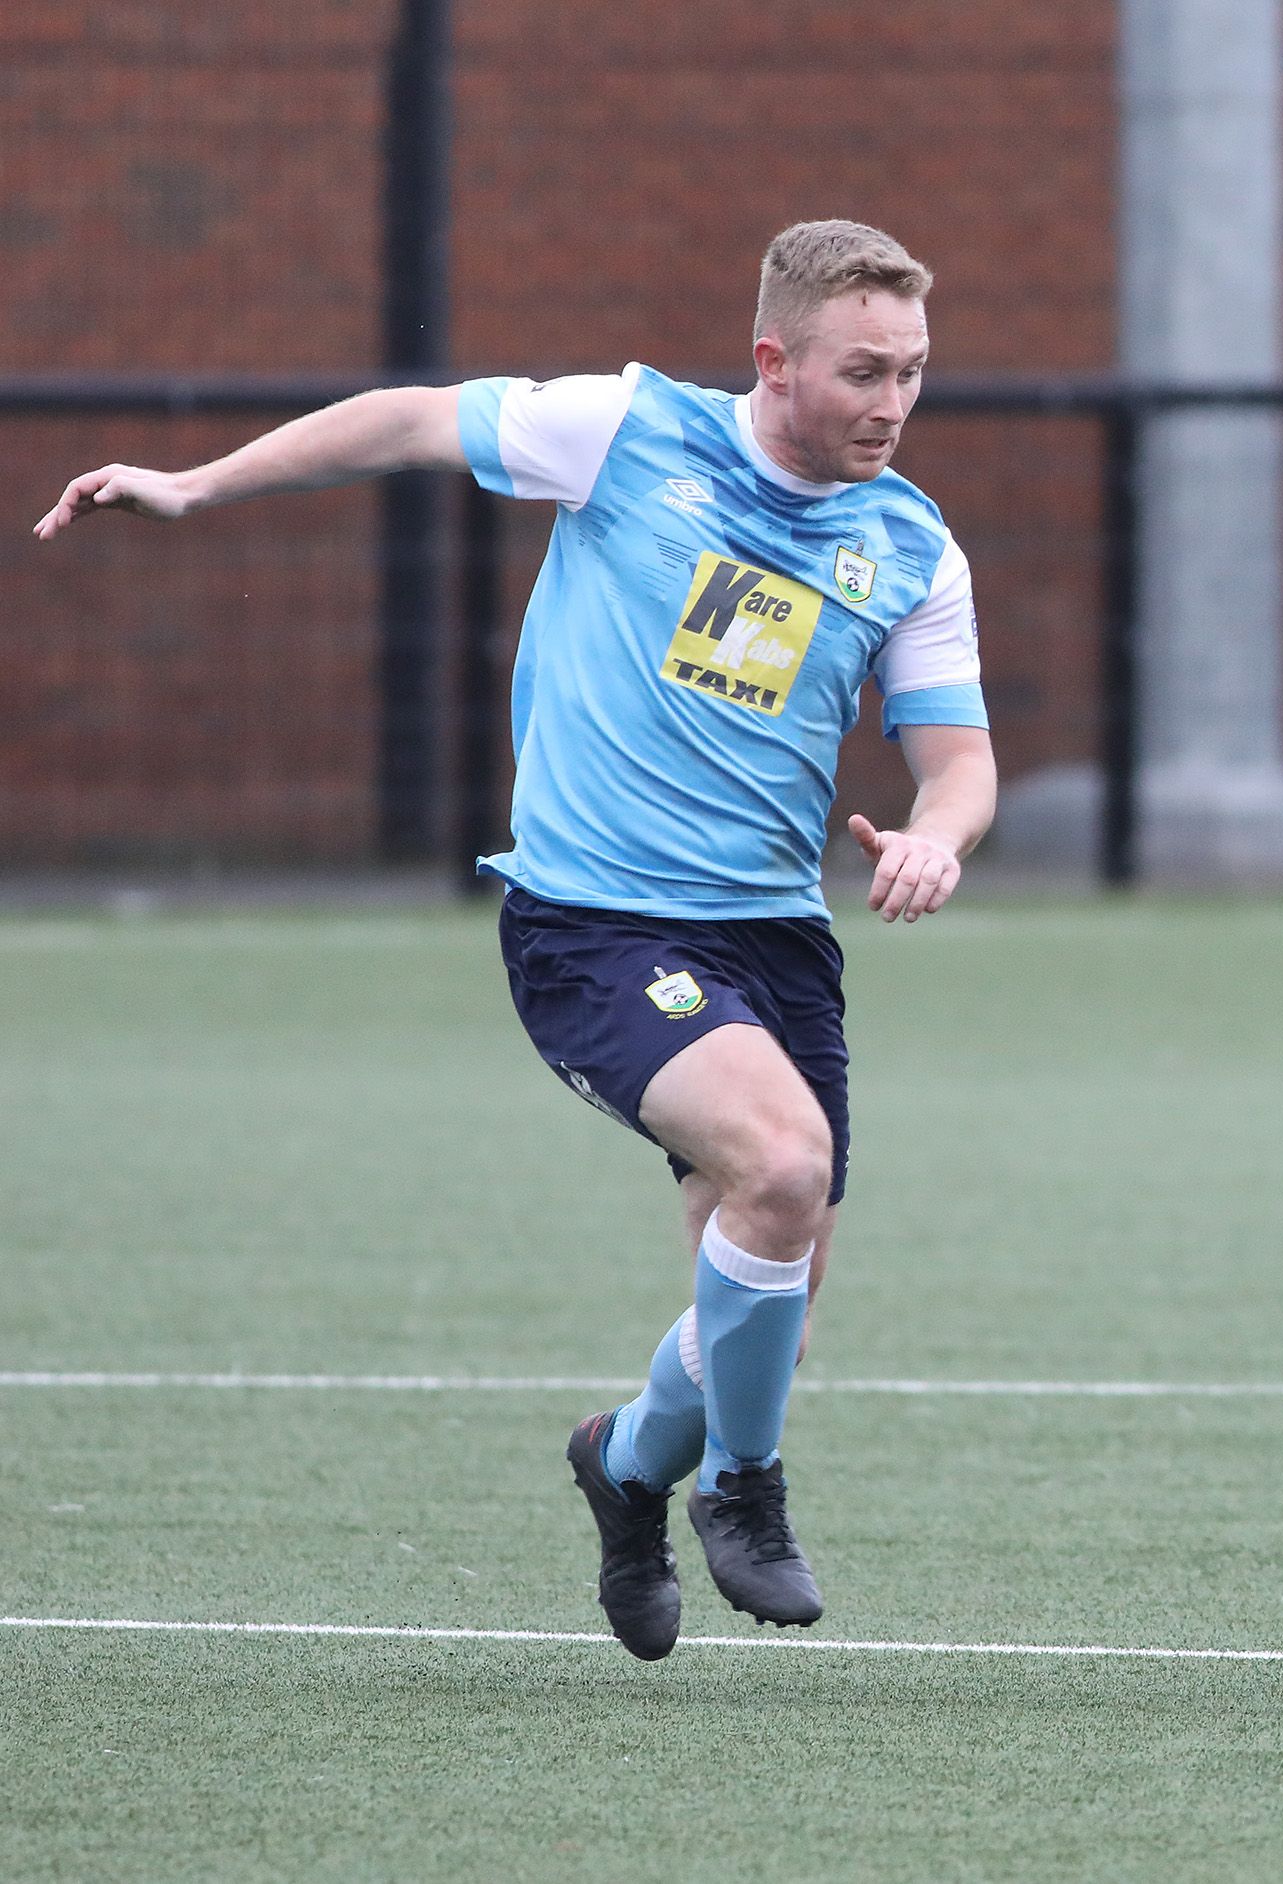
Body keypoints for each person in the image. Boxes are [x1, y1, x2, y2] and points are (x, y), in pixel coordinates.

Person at [34, 219, 997, 1661]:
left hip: (777, 940)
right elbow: (409, 419)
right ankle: (744, 1489)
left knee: (769, 1296)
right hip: (594, 922)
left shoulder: (911, 544)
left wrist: (939, 835)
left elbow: (959, 760)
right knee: (785, 1169)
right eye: (865, 371)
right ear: (774, 360)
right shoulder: (626, 431)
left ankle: (625, 1465)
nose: (894, 401)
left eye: (913, 372)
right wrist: (197, 483)